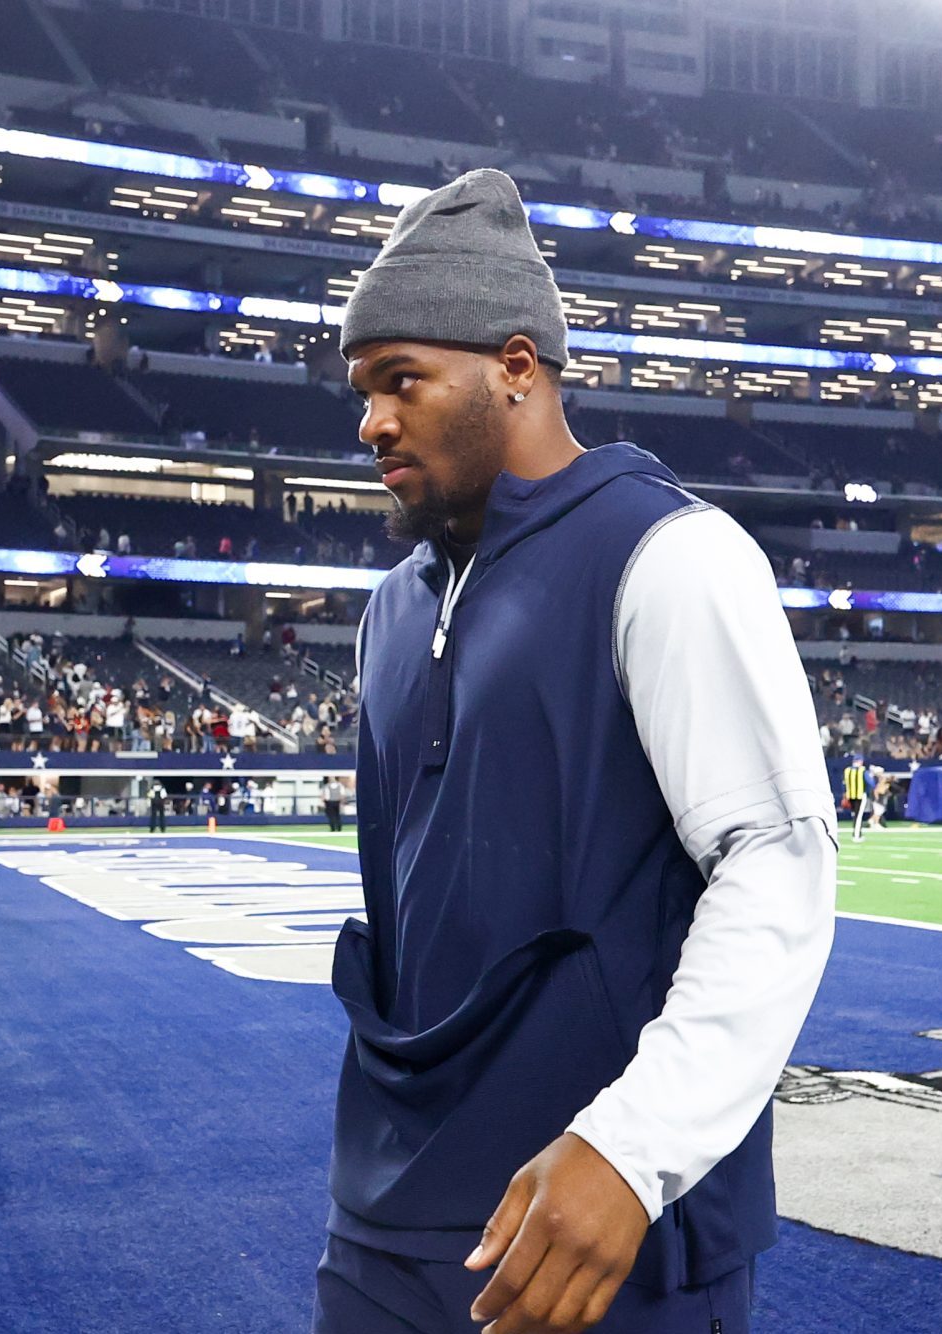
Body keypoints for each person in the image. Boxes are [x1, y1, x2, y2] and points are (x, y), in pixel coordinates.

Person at [317, 170, 832, 1334]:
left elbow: (775, 862)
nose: (370, 421)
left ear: (515, 366)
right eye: (361, 389)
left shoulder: (671, 555)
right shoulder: (390, 608)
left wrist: (631, 1147)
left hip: (601, 1225)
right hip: (383, 1218)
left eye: (402, 380)